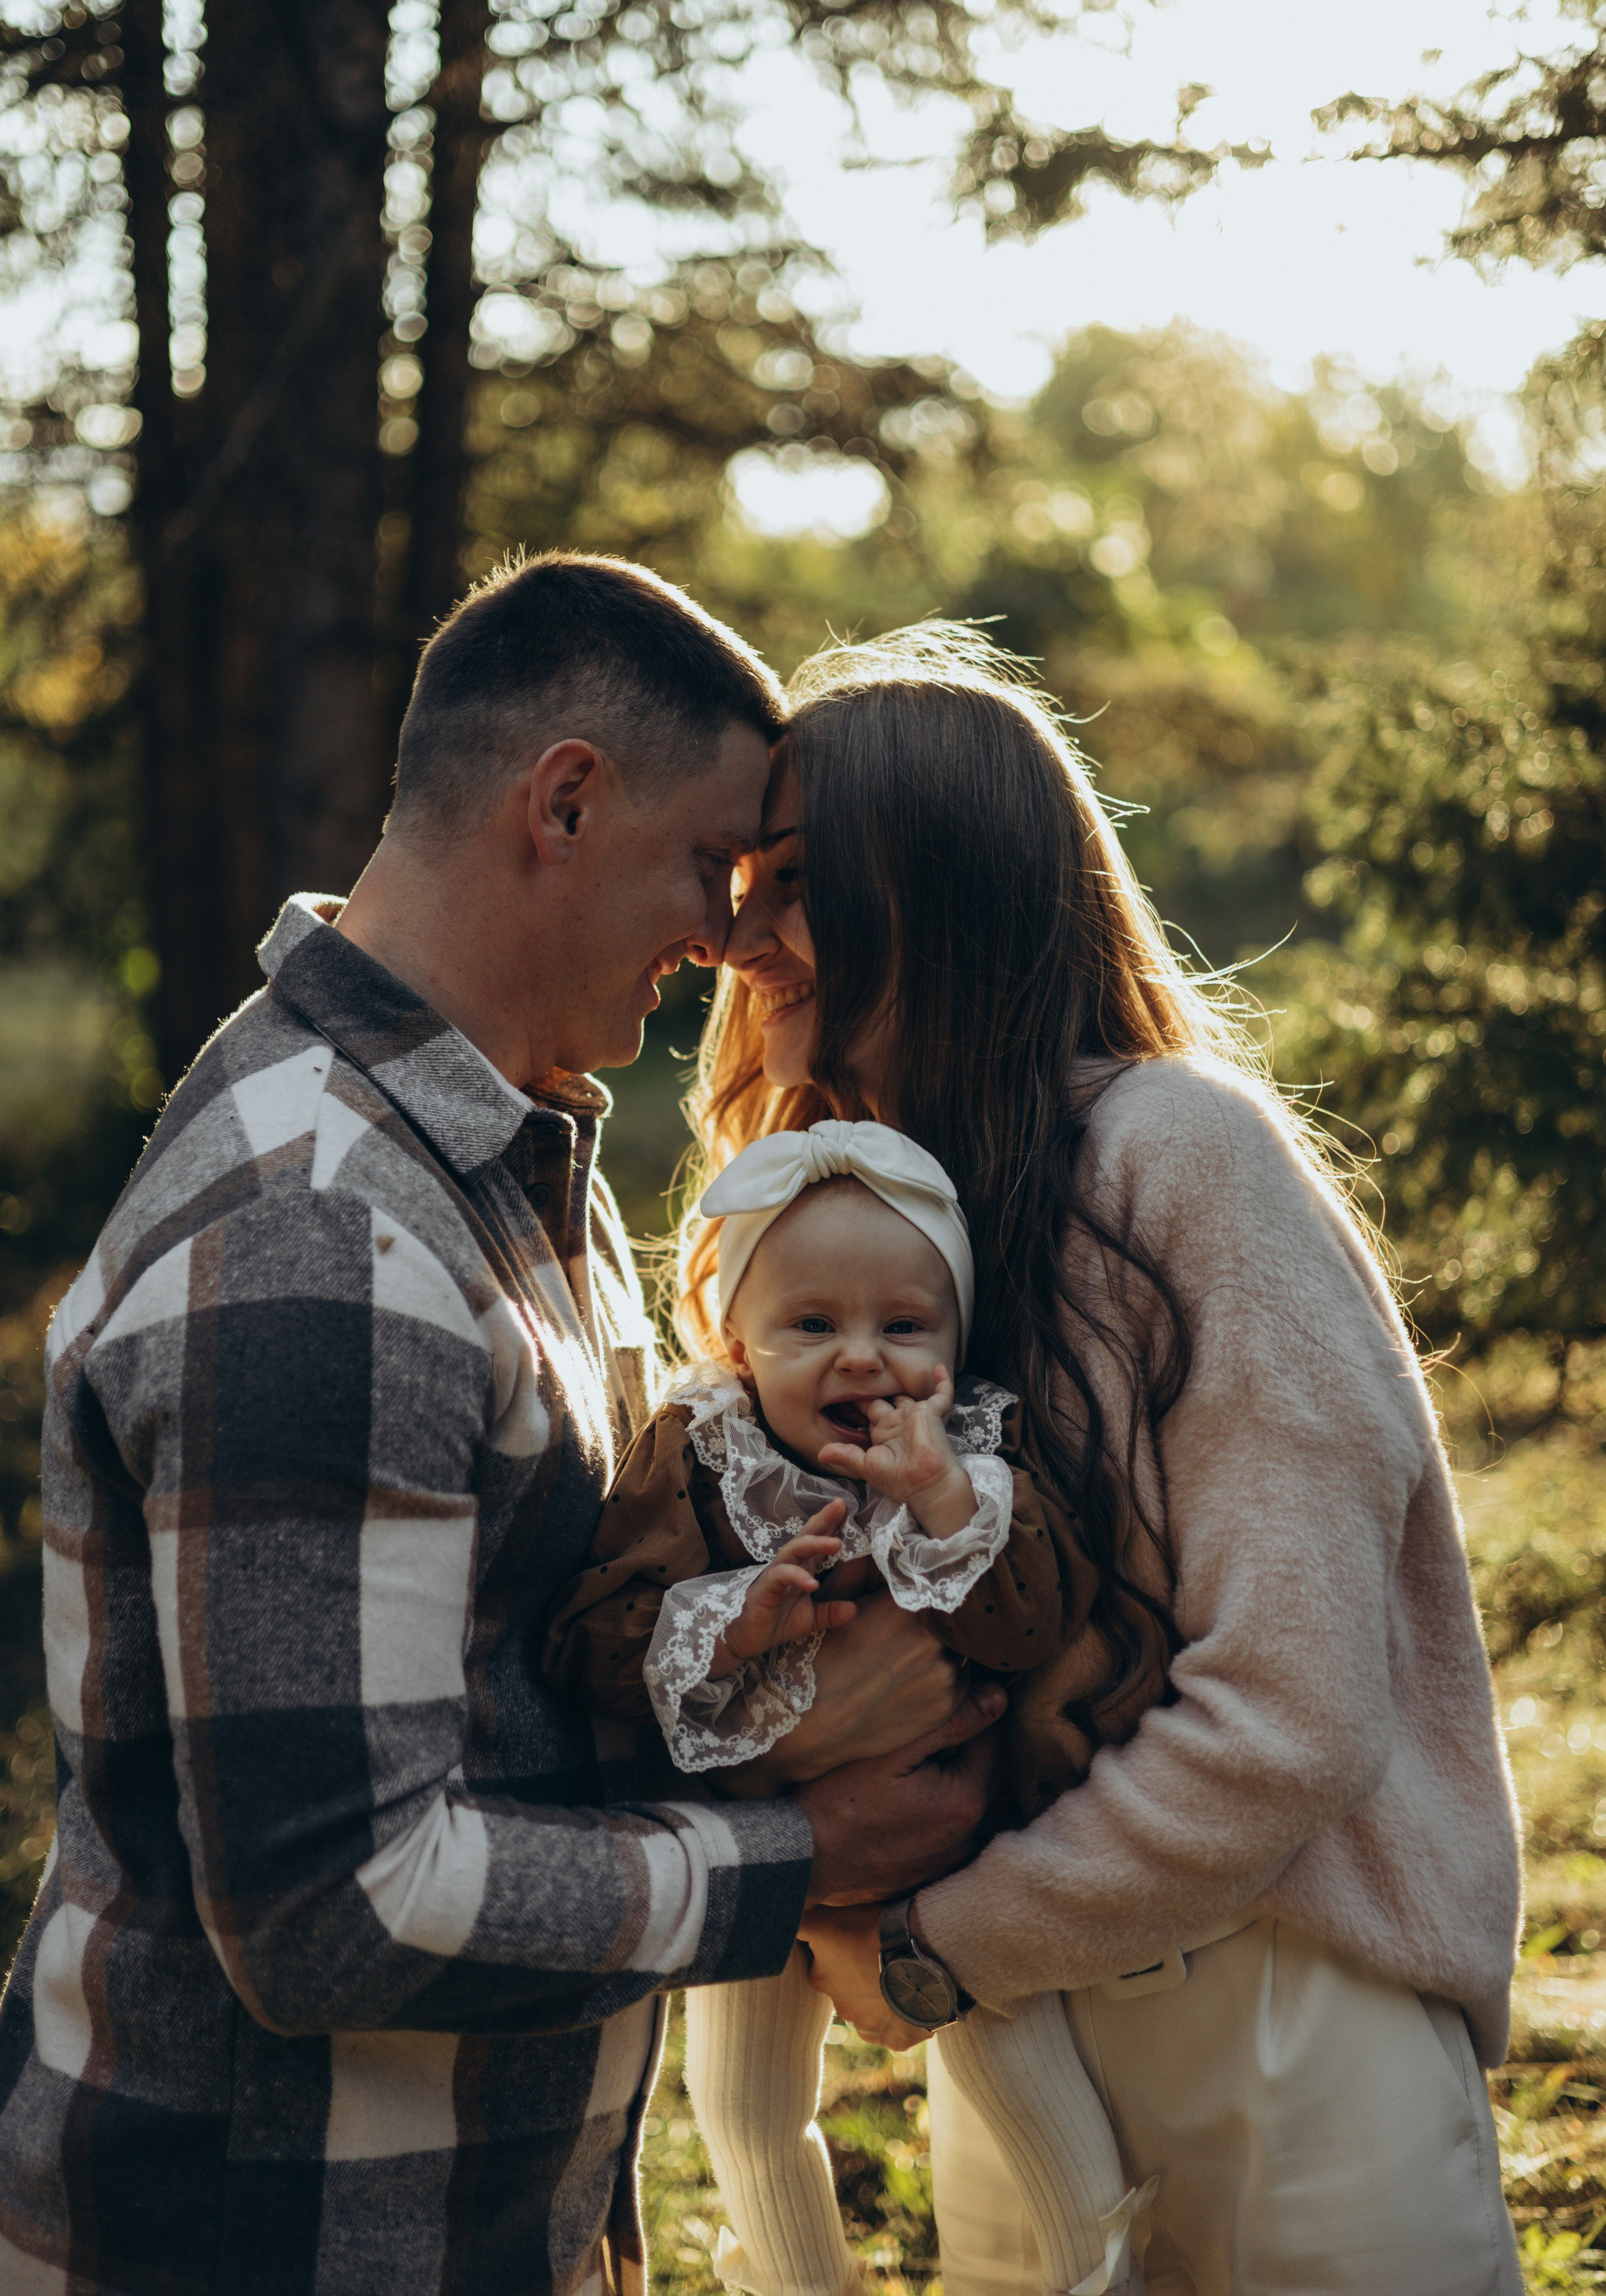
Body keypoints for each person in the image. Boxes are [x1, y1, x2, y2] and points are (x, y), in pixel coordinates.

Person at [0, 557, 1001, 2296]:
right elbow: (336, 1910)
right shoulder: (323, 1227)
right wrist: (809, 1855)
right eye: (713, 865)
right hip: (262, 2246)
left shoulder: (510, 1154)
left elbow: (524, 1685)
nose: (726, 942)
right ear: (563, 800)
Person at [681, 623, 1525, 2296]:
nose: (742, 931)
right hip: (1027, 2034)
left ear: (934, 888)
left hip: (1280, 2014)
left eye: (795, 881)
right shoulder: (863, 1229)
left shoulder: (1179, 1156)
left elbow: (1288, 1714)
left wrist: (930, 1949)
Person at [544, 1119, 1154, 2296]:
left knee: (1042, 2107)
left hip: (952, 1869)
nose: (862, 1359)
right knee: (744, 2115)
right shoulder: (698, 1453)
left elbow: (1033, 1622)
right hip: (761, 1851)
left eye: (905, 1326)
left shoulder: (978, 1452)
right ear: (736, 1333)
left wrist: (940, 1501)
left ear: (956, 1339)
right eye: (814, 1325)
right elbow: (597, 1646)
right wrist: (729, 1618)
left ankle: (1104, 2276)